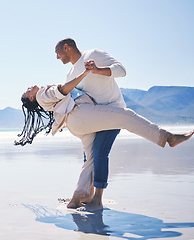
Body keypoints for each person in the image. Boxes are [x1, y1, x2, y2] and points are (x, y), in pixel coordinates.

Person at [15, 63, 194, 211]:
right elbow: (63, 89)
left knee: (91, 160)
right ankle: (166, 138)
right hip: (80, 115)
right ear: (32, 99)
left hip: (76, 124)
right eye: (27, 92)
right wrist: (85, 73)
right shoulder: (41, 94)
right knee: (125, 116)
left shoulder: (42, 98)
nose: (29, 88)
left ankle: (78, 197)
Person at [56, 38, 127, 210]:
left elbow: (122, 71)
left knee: (99, 152)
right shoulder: (70, 74)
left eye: (58, 52)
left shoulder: (94, 54)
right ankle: (86, 194)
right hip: (93, 118)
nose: (57, 57)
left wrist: (97, 70)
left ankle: (98, 198)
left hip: (113, 111)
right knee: (88, 157)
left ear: (67, 48)